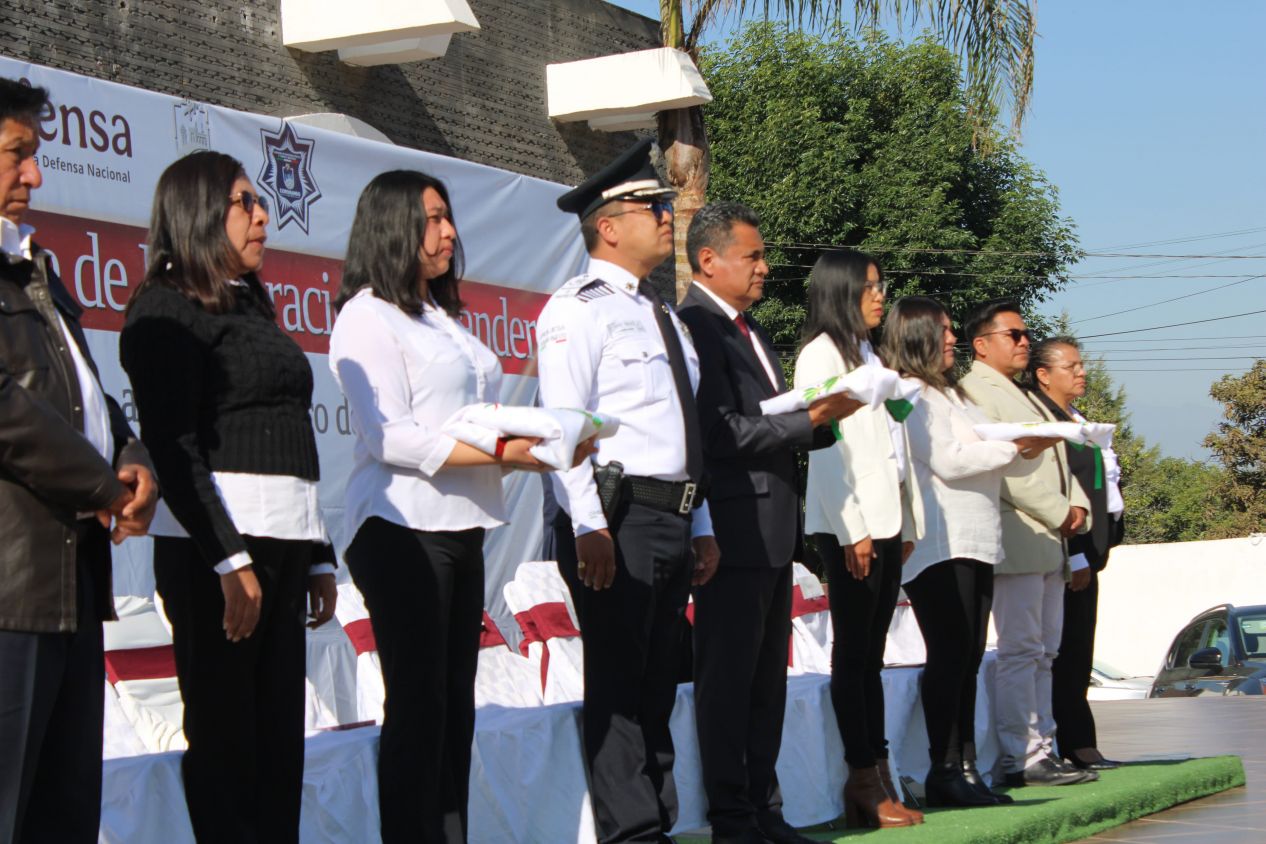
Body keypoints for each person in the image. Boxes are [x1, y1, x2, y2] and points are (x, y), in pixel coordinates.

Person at [120, 150, 338, 843]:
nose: (263, 216)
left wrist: (320, 555)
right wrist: (227, 559)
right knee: (226, 747)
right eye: (246, 203)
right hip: (215, 558)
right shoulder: (162, 307)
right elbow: (174, 447)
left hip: (282, 545)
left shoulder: (249, 301)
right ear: (200, 212)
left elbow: (289, 435)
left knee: (279, 747)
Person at [328, 170, 550, 843]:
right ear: (392, 225)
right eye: (431, 219)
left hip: (461, 527)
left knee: (455, 706)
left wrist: (542, 434)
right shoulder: (367, 314)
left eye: (449, 217)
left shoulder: (440, 316)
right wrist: (505, 454)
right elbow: (389, 435)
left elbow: (474, 413)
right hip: (399, 530)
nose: (449, 232)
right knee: (420, 708)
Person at [535, 138, 721, 844]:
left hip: (670, 513)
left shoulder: (660, 313)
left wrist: (699, 522)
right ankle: (633, 832)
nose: (666, 217)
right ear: (608, 225)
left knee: (658, 682)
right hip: (616, 517)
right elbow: (563, 431)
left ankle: (660, 820)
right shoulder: (577, 310)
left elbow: (683, 430)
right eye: (652, 207)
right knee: (618, 682)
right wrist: (588, 526)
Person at [0, 77, 157, 844]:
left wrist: (133, 460)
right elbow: (9, 414)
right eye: (17, 155)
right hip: (11, 594)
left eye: (36, 155)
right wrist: (105, 486)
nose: (34, 175)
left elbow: (88, 397)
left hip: (71, 587)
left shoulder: (38, 270)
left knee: (66, 817)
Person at [677, 203, 858, 844]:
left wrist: (822, 416)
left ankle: (763, 809)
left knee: (764, 684)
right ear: (709, 260)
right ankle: (731, 817)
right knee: (727, 682)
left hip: (773, 527)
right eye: (752, 256)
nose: (764, 267)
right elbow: (716, 431)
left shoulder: (750, 329)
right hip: (729, 529)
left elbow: (767, 421)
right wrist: (806, 420)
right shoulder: (697, 325)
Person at [882, 297, 1055, 807]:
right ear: (916, 337)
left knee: (970, 655)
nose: (953, 339)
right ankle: (944, 768)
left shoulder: (953, 394)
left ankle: (965, 767)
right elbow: (951, 461)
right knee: (950, 655)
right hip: (940, 544)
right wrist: (1012, 448)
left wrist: (1023, 443)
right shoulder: (910, 394)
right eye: (944, 331)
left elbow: (987, 445)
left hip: (976, 540)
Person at [795, 250, 924, 829]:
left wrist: (909, 523)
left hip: (887, 522)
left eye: (881, 285)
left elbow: (893, 448)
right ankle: (862, 779)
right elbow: (825, 451)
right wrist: (853, 530)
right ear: (840, 291)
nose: (880, 296)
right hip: (852, 526)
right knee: (854, 655)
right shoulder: (818, 355)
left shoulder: (869, 352)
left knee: (872, 654)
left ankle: (882, 770)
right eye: (869, 287)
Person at [958, 300, 1095, 788]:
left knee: (1045, 652)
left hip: (1047, 536)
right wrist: (1062, 511)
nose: (1023, 342)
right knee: (1021, 649)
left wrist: (1075, 505)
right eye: (1012, 334)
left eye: (1023, 334)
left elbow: (1057, 452)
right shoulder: (973, 390)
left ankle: (1044, 747)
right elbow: (1006, 468)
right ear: (981, 344)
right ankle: (1021, 755)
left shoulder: (1017, 392)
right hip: (1018, 531)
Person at [1027, 336, 1125, 773]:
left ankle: (1082, 740)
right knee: (1061, 652)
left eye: (1081, 365)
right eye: (1071, 366)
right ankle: (1068, 743)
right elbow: (1055, 490)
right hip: (1068, 551)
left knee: (1080, 650)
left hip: (1092, 548)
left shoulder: (1077, 418)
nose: (1081, 372)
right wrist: (1076, 553)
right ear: (1044, 375)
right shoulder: (1044, 421)